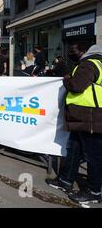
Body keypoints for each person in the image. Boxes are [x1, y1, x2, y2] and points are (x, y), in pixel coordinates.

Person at [46, 42, 102, 205]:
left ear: (85, 52)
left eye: (74, 51)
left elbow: (76, 86)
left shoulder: (89, 64)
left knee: (93, 156)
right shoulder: (96, 63)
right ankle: (65, 180)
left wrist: (67, 79)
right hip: (85, 117)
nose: (72, 53)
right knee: (74, 150)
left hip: (90, 117)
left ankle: (94, 191)